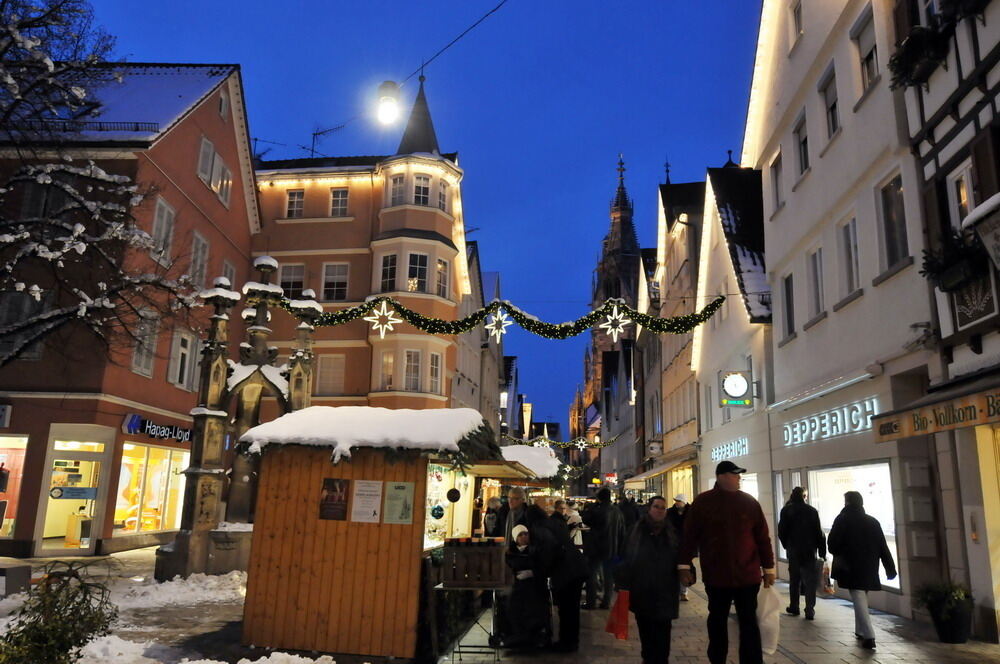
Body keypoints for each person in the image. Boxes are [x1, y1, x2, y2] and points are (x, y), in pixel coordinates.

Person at [678, 461, 775, 664]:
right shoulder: (703, 503)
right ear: (722, 476)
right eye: (735, 474)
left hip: (747, 575)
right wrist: (684, 565)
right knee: (717, 621)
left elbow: (762, 538)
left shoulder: (749, 502)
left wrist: (769, 568)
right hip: (717, 575)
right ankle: (717, 659)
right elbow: (689, 537)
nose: (739, 478)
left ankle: (751, 661)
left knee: (748, 622)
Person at [827, 490, 897, 651]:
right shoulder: (873, 521)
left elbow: (832, 544)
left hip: (850, 565)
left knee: (858, 595)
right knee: (861, 594)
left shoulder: (842, 519)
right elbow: (883, 546)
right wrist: (890, 568)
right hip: (869, 566)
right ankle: (859, 630)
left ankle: (869, 635)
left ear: (848, 502)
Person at [616, 496, 680, 664]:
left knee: (663, 638)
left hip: (666, 592)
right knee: (647, 636)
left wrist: (688, 572)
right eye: (656, 506)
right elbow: (625, 558)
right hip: (642, 592)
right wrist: (623, 585)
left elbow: (679, 558)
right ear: (649, 509)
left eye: (663, 507)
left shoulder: (672, 533)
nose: (660, 510)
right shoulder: (636, 531)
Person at [777, 486, 826, 620]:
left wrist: (787, 545)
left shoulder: (786, 510)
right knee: (810, 581)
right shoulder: (812, 511)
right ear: (804, 497)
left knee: (794, 579)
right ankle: (809, 609)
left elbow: (781, 531)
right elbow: (819, 533)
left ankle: (794, 606)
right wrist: (822, 551)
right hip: (810, 551)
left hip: (793, 550)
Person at [546, 501, 589, 652]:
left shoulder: (551, 526)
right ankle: (570, 641)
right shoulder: (559, 523)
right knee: (570, 610)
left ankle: (567, 643)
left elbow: (552, 553)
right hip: (575, 570)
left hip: (569, 573)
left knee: (567, 609)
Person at [505, 524, 553, 649]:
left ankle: (534, 636)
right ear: (516, 538)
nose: (524, 536)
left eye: (526, 533)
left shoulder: (536, 550)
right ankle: (517, 635)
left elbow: (544, 567)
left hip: (535, 585)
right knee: (513, 605)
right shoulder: (511, 552)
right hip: (517, 586)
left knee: (535, 605)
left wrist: (533, 573)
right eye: (521, 535)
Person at [582, 487, 626, 609]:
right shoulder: (617, 511)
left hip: (596, 547)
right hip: (612, 548)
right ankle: (606, 602)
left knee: (591, 574)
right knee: (609, 576)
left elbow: (586, 519)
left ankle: (591, 602)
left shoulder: (598, 510)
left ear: (599, 498)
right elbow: (622, 530)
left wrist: (592, 507)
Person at [667, 494, 690, 601]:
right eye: (676, 500)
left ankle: (683, 592)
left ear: (684, 502)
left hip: (685, 545)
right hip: (673, 545)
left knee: (684, 568)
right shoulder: (670, 512)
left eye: (679, 501)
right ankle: (675, 591)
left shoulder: (690, 512)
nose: (677, 502)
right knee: (673, 569)